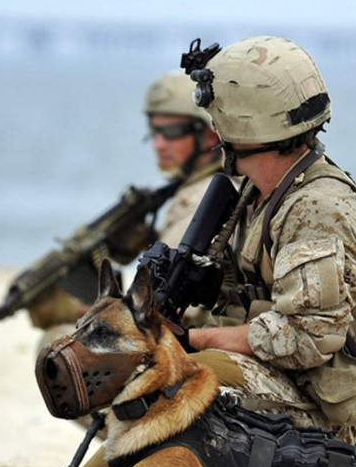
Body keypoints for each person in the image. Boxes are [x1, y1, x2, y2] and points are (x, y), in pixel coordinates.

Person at [177, 35, 356, 446]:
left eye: (218, 114)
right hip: (276, 380)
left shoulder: (318, 209)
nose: (213, 126)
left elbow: (307, 338)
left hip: (313, 409)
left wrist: (195, 340)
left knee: (180, 388)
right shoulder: (258, 192)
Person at [26, 70, 223, 349]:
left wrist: (71, 311)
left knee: (58, 343)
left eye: (172, 132)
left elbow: (159, 311)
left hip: (187, 345)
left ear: (208, 135)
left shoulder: (201, 198)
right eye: (154, 132)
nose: (158, 144)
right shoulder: (196, 189)